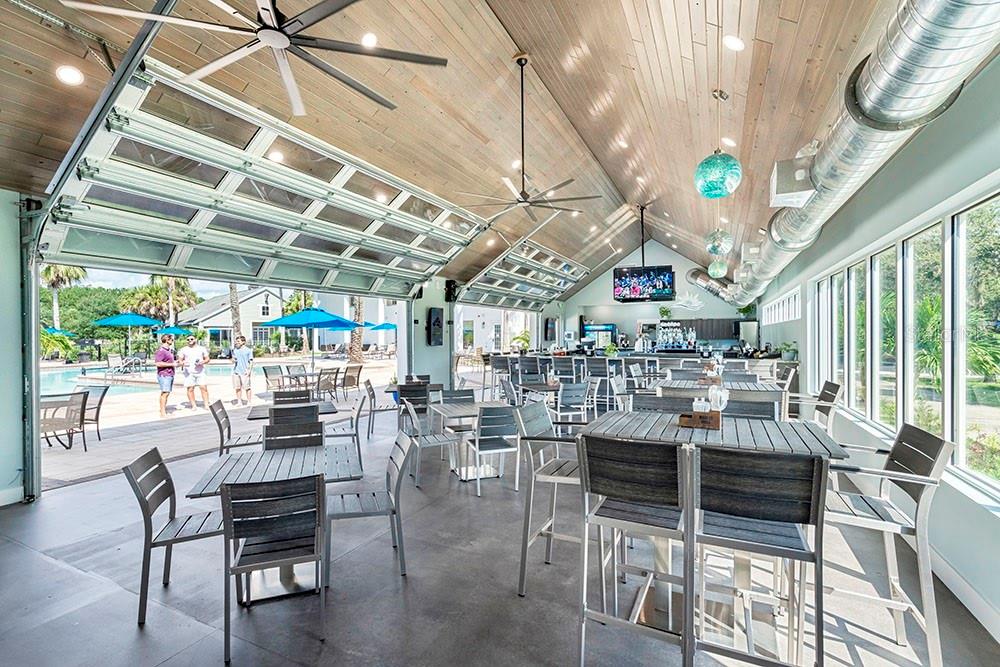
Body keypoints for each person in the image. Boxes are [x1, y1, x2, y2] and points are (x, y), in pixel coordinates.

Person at [177, 334, 210, 409]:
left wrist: (202, 362)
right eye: (188, 340)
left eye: (191, 339)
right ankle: (193, 405)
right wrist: (182, 363)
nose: (189, 341)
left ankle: (206, 405)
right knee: (190, 389)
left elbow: (207, 359)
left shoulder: (201, 348)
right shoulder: (183, 349)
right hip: (189, 372)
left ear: (195, 339)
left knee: (203, 388)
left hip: (200, 371)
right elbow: (180, 360)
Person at [153, 334, 179, 418]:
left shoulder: (168, 350)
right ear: (167, 340)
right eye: (172, 339)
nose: (173, 341)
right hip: (164, 375)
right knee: (165, 393)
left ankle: (163, 410)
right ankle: (163, 413)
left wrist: (177, 363)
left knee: (166, 393)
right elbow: (158, 363)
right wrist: (172, 364)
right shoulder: (161, 351)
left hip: (169, 373)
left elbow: (168, 361)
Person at [231, 335, 254, 406]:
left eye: (238, 341)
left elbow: (251, 361)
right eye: (236, 341)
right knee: (237, 387)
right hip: (236, 371)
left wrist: (249, 371)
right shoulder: (235, 350)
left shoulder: (248, 350)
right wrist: (233, 360)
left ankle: (249, 401)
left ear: (243, 342)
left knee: (247, 387)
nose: (236, 342)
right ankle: (239, 401)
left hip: (245, 372)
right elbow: (233, 359)